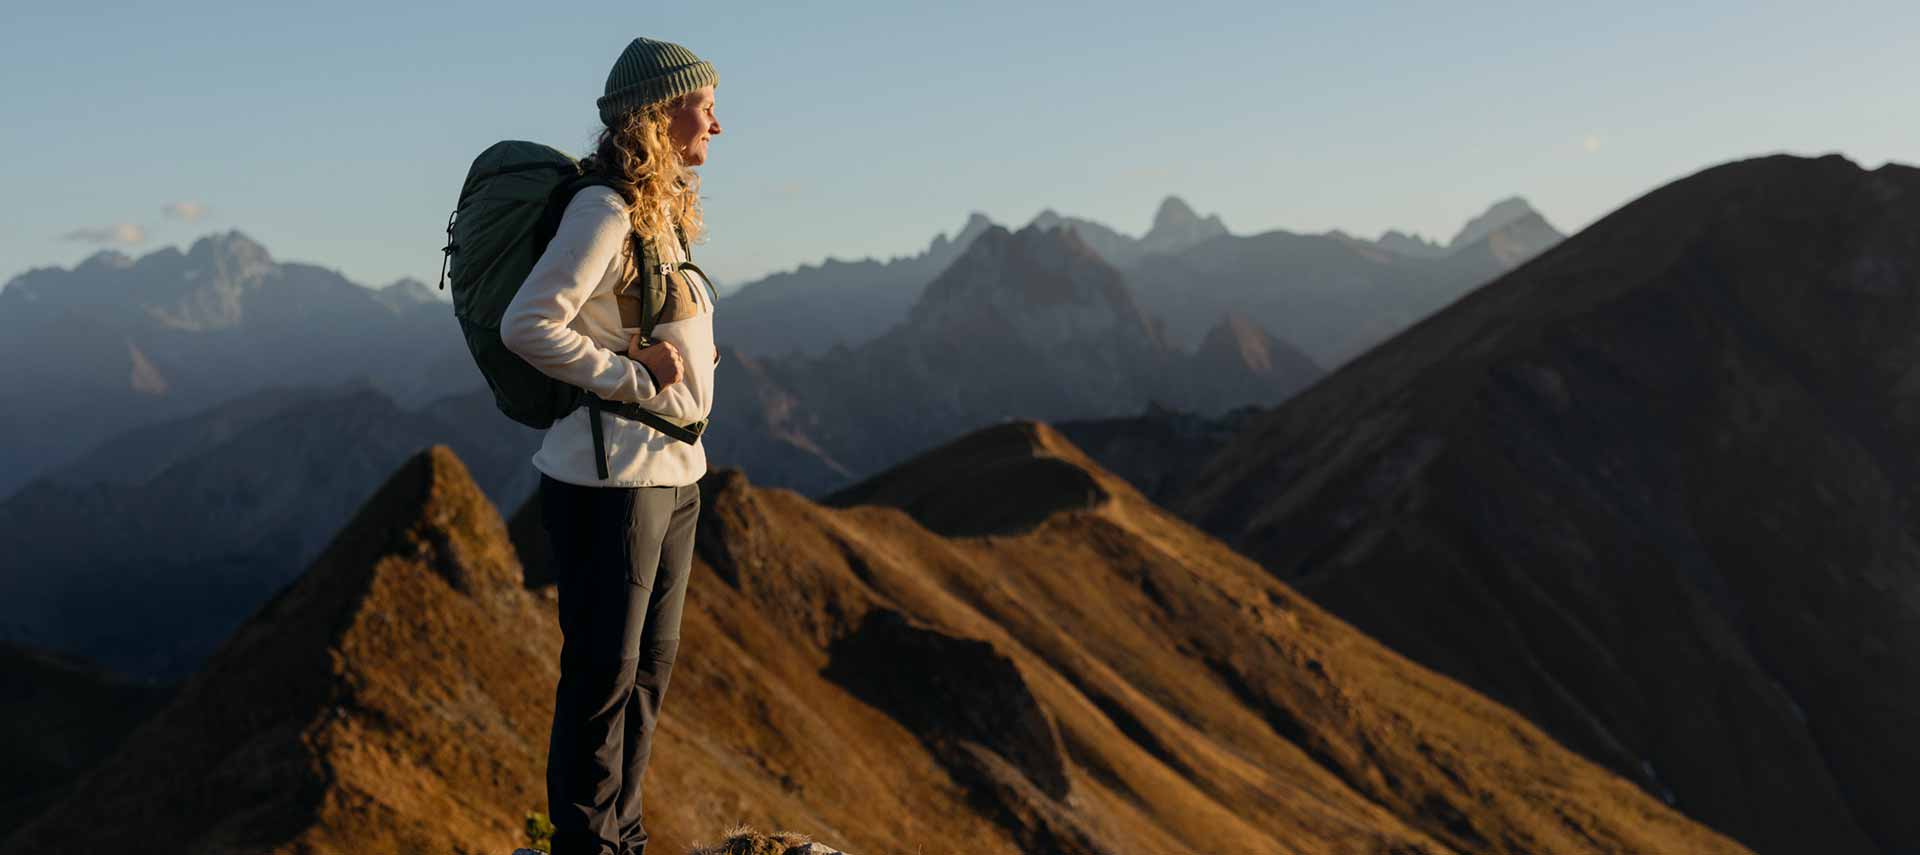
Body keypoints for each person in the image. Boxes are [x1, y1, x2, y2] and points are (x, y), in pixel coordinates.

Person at [498, 36, 722, 855]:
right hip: (612, 482)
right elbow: (527, 324)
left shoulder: (657, 210)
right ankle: (587, 843)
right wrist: (632, 374)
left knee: (647, 676)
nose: (716, 124)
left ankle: (623, 836)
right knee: (603, 676)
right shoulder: (607, 208)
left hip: (674, 473)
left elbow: (640, 319)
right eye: (703, 105)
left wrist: (688, 355)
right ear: (662, 114)